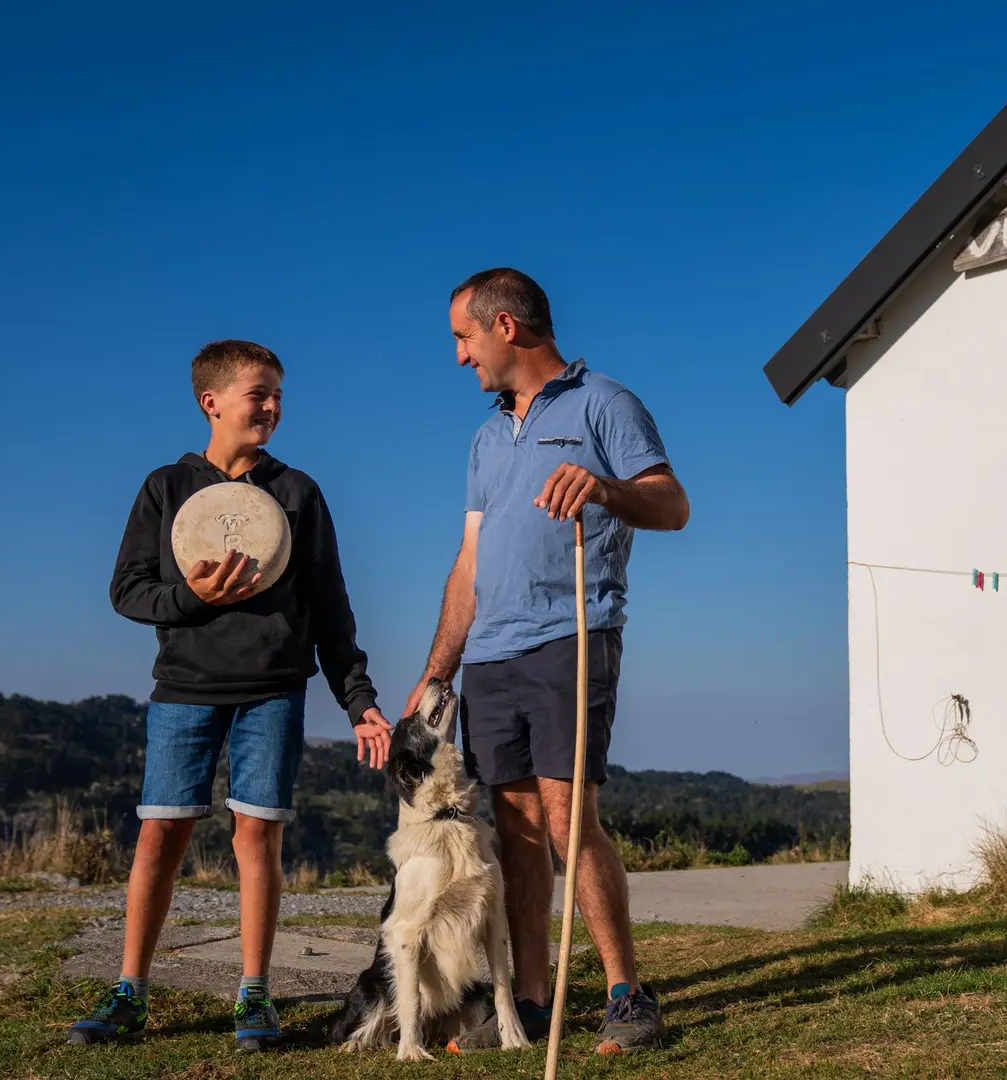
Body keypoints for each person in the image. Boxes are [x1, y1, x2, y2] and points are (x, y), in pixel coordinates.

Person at [68, 339, 394, 1052]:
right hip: (183, 689)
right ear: (211, 401)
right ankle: (130, 991)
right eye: (260, 393)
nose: (273, 407)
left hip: (274, 691)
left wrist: (358, 698)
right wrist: (191, 597)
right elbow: (127, 590)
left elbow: (331, 608)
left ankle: (254, 995)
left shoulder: (299, 493)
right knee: (161, 835)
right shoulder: (166, 488)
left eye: (279, 394)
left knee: (258, 836)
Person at [411, 268, 690, 1056]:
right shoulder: (484, 437)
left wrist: (602, 489)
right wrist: (438, 670)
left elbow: (672, 504)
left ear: (505, 327)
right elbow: (468, 564)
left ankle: (627, 995)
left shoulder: (605, 402)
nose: (460, 357)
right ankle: (531, 1002)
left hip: (572, 632)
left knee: (570, 819)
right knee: (519, 829)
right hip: (489, 656)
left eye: (463, 338)